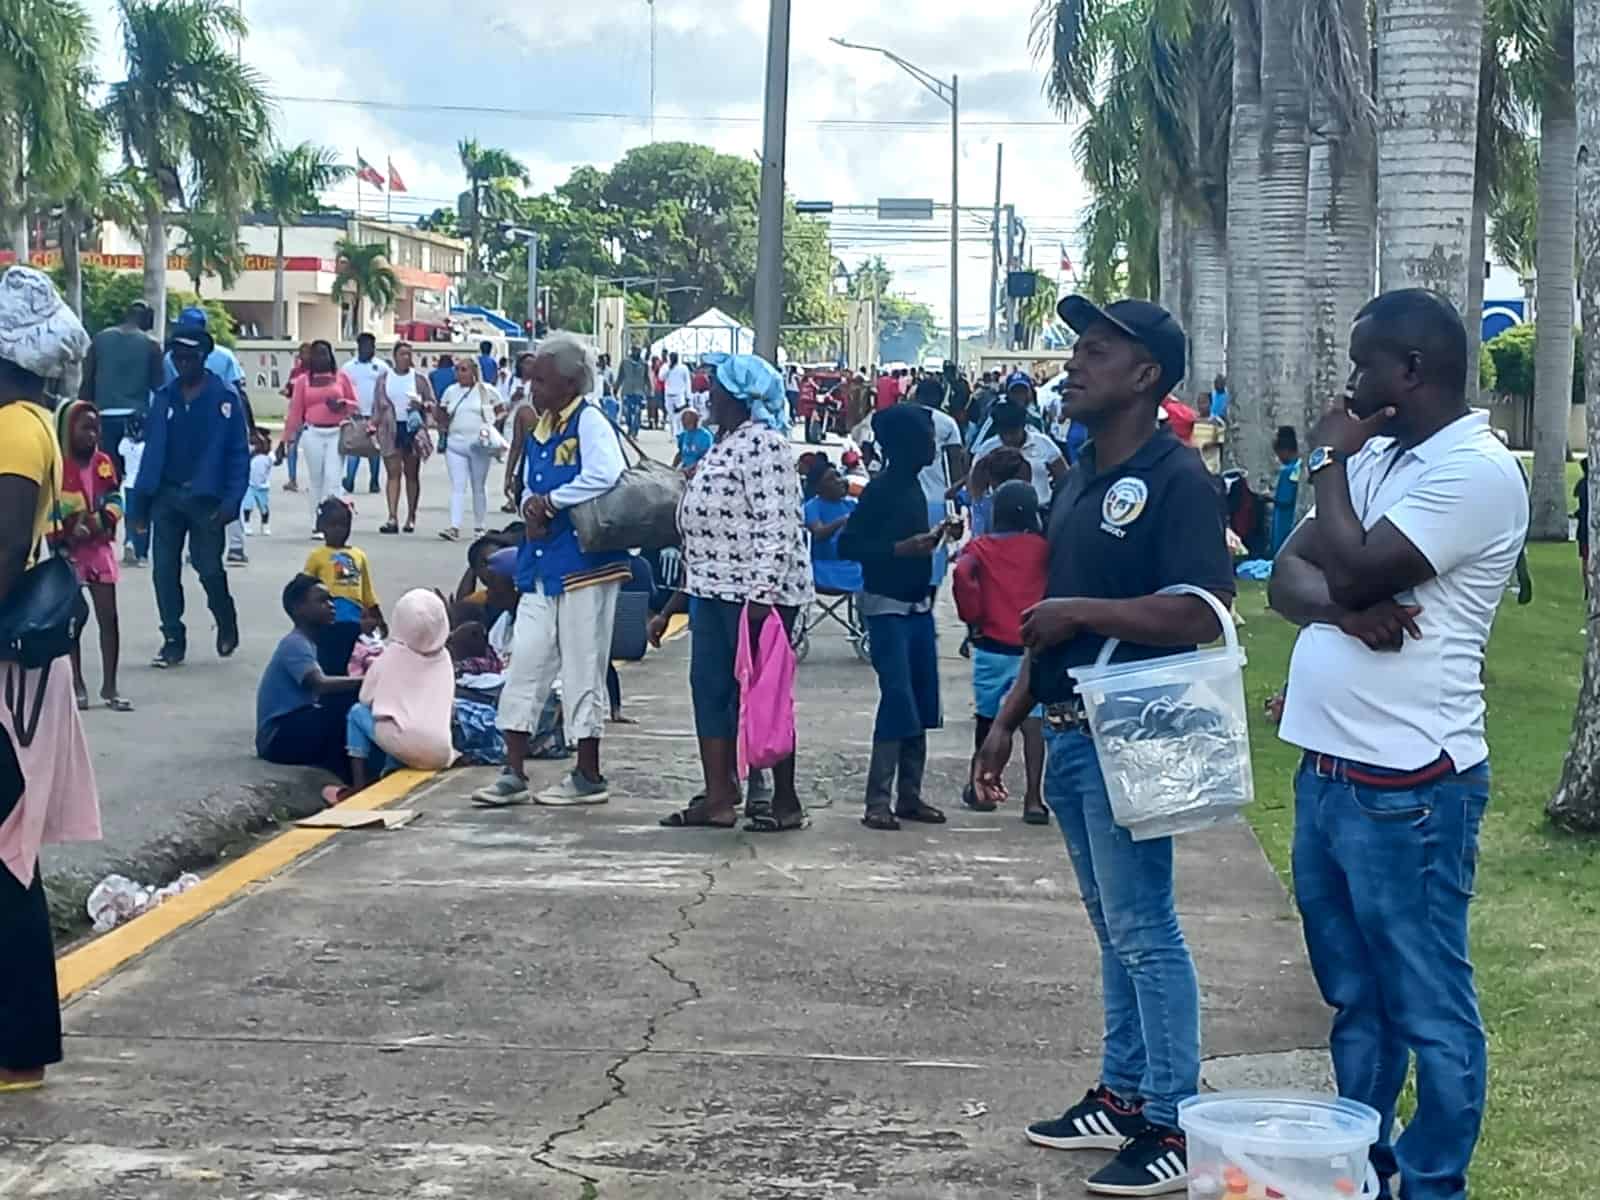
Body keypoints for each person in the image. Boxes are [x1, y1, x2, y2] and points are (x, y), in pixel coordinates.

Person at [1268, 289, 1529, 1200]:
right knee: (1355, 998)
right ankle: (1362, 1165)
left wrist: (1332, 472)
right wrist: (1345, 605)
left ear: (1412, 372)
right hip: (1329, 776)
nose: (1351, 383)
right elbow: (1289, 579)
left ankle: (1430, 1182)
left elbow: (1363, 562)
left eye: (1365, 362)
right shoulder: (1385, 457)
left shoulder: (1479, 471)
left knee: (1428, 1006)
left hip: (1411, 787)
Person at [976, 295, 1232, 1196]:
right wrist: (1008, 718)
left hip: (1145, 726)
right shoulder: (1080, 472)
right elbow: (1051, 623)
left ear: (1146, 376)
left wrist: (1083, 613)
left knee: (1146, 928)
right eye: (1074, 349)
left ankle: (1172, 1118)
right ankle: (1124, 1093)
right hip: (1070, 726)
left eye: (1094, 352)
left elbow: (1205, 610)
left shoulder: (1176, 479)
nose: (1072, 364)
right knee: (1111, 927)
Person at [0, 264, 101, 1094]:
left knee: (4, 859)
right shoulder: (35, 421)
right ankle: (20, 1050)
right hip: (20, 680)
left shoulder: (10, 430)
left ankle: (19, 1047)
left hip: (5, 684)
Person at [652, 353, 812, 832]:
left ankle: (785, 801)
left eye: (716, 388)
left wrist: (762, 593)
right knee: (711, 691)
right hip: (711, 589)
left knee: (765, 695)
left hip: (756, 597)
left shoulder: (765, 446)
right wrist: (675, 602)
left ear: (738, 397)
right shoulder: (726, 443)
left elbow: (778, 524)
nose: (708, 395)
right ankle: (719, 796)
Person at [472, 333, 630, 809]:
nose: (531, 387)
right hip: (542, 566)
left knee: (583, 666)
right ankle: (513, 770)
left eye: (541, 379)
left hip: (585, 565)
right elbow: (526, 484)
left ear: (569, 382)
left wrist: (550, 503)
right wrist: (529, 505)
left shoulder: (590, 420)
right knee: (526, 660)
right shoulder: (543, 424)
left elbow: (606, 473)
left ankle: (588, 772)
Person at [838, 404, 958, 831]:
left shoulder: (912, 487)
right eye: (925, 437)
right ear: (904, 445)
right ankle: (878, 799)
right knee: (898, 698)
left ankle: (910, 794)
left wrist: (936, 538)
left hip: (918, 606)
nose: (932, 445)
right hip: (887, 606)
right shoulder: (882, 490)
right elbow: (848, 546)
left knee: (923, 698)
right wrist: (898, 551)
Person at [128, 316, 248, 668]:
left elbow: (238, 454)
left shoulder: (224, 398)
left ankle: (224, 618)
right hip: (166, 496)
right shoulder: (163, 397)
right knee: (163, 570)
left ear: (204, 357)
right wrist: (139, 505)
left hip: (207, 499)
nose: (182, 363)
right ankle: (172, 638)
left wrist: (232, 501)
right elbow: (150, 452)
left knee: (208, 566)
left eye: (190, 357)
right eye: (177, 357)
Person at [953, 479, 1049, 825]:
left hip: (992, 644)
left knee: (990, 720)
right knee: (1034, 724)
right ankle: (1034, 799)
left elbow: (963, 574)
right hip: (1034, 644)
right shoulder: (1042, 548)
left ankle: (981, 785)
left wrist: (973, 614)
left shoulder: (980, 548)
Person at [45, 403, 131, 713]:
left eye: (96, 428)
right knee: (72, 620)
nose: (92, 434)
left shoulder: (103, 462)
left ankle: (110, 685)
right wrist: (63, 534)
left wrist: (104, 519)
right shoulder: (58, 467)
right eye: (85, 428)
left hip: (99, 549)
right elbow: (49, 509)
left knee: (109, 617)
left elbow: (115, 496)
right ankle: (76, 683)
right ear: (68, 430)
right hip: (70, 553)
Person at [333, 589, 455, 800]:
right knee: (407, 717)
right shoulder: (444, 659)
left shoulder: (392, 655)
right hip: (441, 752)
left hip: (405, 744)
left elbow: (365, 698)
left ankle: (358, 785)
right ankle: (391, 767)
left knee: (357, 713)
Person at [256, 574, 362, 780]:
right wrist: (368, 680)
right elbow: (319, 684)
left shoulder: (312, 642)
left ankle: (349, 776)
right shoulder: (294, 643)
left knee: (348, 706)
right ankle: (351, 780)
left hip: (296, 725)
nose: (331, 606)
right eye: (322, 601)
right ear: (298, 609)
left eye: (330, 599)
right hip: (277, 737)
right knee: (341, 714)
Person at [303, 497, 383, 677]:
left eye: (344, 525)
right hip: (329, 618)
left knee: (352, 658)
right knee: (329, 658)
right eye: (333, 525)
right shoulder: (317, 556)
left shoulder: (358, 555)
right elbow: (305, 588)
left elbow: (367, 590)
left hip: (354, 616)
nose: (339, 530)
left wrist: (376, 613)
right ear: (322, 526)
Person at [281, 339, 357, 529]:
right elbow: (296, 412)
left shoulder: (341, 377)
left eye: (325, 353)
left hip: (336, 433)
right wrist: (286, 439)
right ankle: (318, 522)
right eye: (317, 354)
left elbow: (355, 404)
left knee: (333, 479)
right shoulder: (303, 381)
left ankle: (332, 522)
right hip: (313, 433)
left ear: (330, 355)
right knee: (316, 480)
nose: (321, 357)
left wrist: (342, 405)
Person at [78, 299, 161, 468]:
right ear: (147, 319)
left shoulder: (100, 339)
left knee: (105, 472)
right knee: (131, 474)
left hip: (103, 416)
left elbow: (87, 383)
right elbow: (158, 385)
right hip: (135, 419)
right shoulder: (151, 345)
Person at [373, 341, 436, 535]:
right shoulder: (384, 379)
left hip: (412, 428)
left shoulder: (418, 379)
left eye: (409, 354)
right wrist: (373, 426)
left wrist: (422, 406)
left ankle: (411, 516)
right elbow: (377, 405)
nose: (406, 358)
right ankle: (392, 516)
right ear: (394, 356)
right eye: (402, 354)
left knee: (411, 473)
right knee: (393, 473)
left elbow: (431, 402)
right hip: (390, 428)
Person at [910, 376, 967, 586]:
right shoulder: (947, 423)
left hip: (903, 496)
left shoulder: (902, 417)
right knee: (934, 555)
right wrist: (958, 497)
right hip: (936, 498)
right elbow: (955, 462)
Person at [436, 356, 500, 542]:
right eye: (458, 369)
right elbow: (442, 413)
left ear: (474, 371)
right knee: (457, 486)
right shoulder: (450, 391)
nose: (460, 373)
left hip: (478, 445)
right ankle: (454, 526)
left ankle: (479, 526)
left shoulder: (486, 391)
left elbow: (501, 409)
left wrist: (491, 426)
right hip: (455, 444)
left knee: (478, 486)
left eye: (464, 369)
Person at [971, 400, 1068, 508]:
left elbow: (1065, 478)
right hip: (1002, 514)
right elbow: (976, 483)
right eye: (1004, 433)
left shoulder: (1043, 443)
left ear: (1023, 426)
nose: (1008, 438)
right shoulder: (987, 448)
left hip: (1042, 509)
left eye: (1013, 433)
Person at [803, 460, 863, 595]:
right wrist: (844, 520)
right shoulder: (812, 506)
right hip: (823, 567)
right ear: (819, 487)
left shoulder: (852, 504)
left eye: (839, 475)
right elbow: (818, 533)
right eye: (831, 479)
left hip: (852, 566)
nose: (839, 481)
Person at [340, 332, 387, 495]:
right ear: (358, 347)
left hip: (375, 415)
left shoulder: (381, 367)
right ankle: (350, 480)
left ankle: (374, 481)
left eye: (371, 346)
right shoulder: (348, 368)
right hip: (355, 415)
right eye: (365, 346)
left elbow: (385, 390)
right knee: (354, 448)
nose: (369, 349)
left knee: (374, 450)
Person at [118, 412, 149, 566]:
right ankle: (142, 553)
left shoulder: (124, 444)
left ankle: (129, 541)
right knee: (142, 520)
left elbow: (120, 453)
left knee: (129, 518)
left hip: (128, 485)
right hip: (142, 485)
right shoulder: (146, 446)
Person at [280, 342, 311, 493]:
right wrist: (286, 391)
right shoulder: (295, 372)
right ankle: (292, 479)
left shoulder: (315, 372)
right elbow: (289, 390)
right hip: (295, 414)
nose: (303, 356)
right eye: (301, 353)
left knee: (312, 448)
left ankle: (314, 480)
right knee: (291, 447)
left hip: (310, 415)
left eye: (306, 353)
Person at [1271, 426, 1302, 555]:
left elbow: (1284, 498)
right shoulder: (1299, 466)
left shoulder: (1287, 471)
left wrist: (1269, 498)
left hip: (1284, 516)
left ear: (1284, 451)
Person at [241, 429, 273, 537]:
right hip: (249, 484)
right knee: (247, 505)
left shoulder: (268, 456)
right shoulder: (250, 454)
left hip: (263, 486)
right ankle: (246, 524)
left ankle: (265, 524)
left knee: (264, 507)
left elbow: (276, 460)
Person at [617, 347, 649, 437]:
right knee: (627, 412)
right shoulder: (625, 362)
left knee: (637, 412)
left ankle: (635, 431)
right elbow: (620, 376)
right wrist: (616, 388)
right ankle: (629, 427)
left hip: (639, 392)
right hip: (627, 391)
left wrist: (649, 390)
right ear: (632, 351)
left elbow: (646, 378)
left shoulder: (644, 364)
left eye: (639, 351)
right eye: (636, 350)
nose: (637, 353)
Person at [674, 408, 713, 475]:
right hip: (684, 468)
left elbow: (706, 457)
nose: (684, 423)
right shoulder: (683, 435)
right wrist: (672, 468)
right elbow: (680, 454)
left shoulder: (705, 436)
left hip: (699, 470)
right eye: (683, 420)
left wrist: (691, 468)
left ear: (696, 421)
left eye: (688, 421)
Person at [664, 351, 692, 434]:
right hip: (668, 394)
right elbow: (661, 377)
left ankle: (680, 432)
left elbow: (687, 382)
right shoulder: (666, 367)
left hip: (679, 394)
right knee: (671, 416)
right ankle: (672, 433)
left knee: (680, 415)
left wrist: (688, 395)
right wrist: (669, 369)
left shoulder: (683, 368)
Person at [1577, 456, 1591, 598]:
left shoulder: (1582, 484)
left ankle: (1587, 587)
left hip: (1583, 529)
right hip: (1588, 528)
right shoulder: (1593, 485)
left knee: (1585, 559)